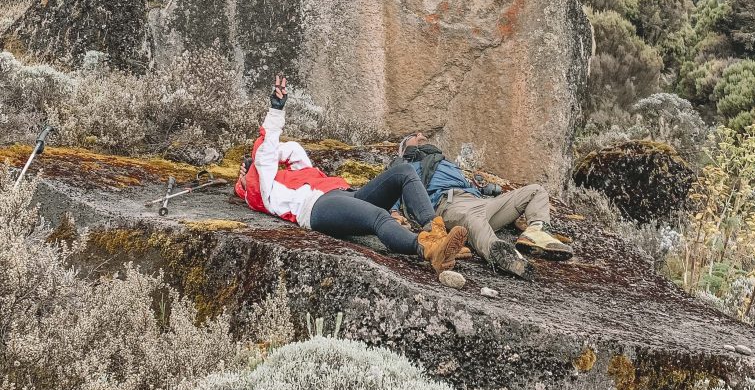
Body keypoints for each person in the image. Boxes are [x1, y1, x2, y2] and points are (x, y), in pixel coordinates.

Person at [236, 76, 469, 282]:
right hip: (319, 208)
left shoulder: (287, 175)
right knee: (380, 216)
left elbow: (293, 150)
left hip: (343, 195)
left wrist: (260, 161)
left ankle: (437, 233)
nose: (249, 168)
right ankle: (429, 250)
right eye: (247, 172)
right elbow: (266, 153)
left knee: (404, 173)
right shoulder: (263, 192)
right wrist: (275, 112)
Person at [398, 132, 574, 277]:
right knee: (473, 219)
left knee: (535, 190)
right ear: (404, 149)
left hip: (479, 201)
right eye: (414, 135)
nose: (420, 134)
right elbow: (395, 190)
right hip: (450, 203)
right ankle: (499, 253)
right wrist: (394, 213)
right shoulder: (405, 166)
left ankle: (536, 231)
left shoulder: (445, 163)